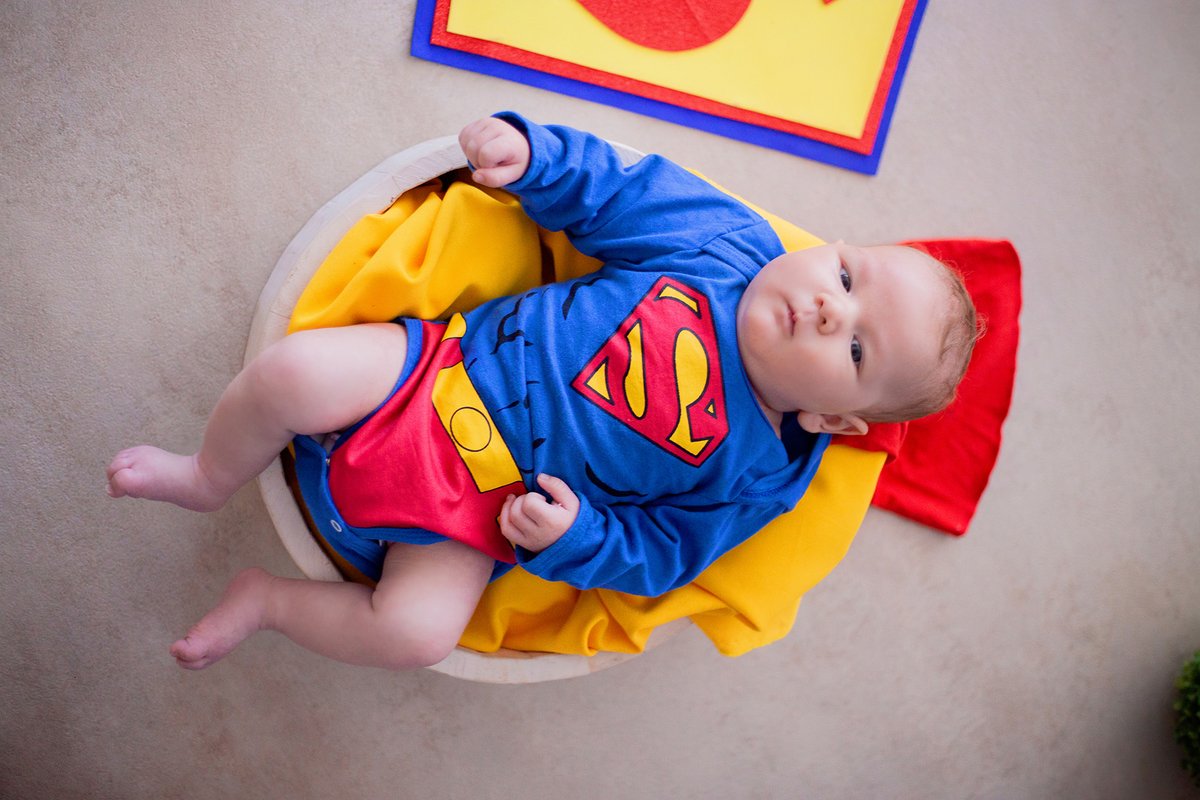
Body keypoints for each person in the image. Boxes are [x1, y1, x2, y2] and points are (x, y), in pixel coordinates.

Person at [106, 113, 978, 671]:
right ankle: (208, 474)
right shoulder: (726, 244)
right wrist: (534, 158)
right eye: (847, 275)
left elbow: (663, 555)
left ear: (831, 418)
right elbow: (619, 193)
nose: (829, 307)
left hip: (483, 509)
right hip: (439, 374)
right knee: (294, 372)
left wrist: (577, 537)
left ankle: (268, 602)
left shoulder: (762, 470)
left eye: (856, 347)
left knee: (415, 634)